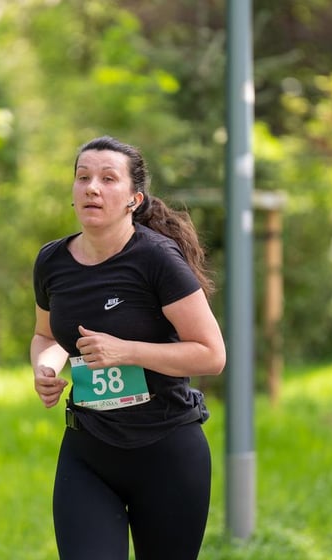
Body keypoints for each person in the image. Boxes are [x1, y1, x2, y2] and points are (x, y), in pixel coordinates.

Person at [30, 135, 226, 560]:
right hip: (89, 453)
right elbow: (46, 334)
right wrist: (45, 367)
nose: (92, 188)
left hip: (167, 452)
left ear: (133, 199)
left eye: (107, 178)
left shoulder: (157, 259)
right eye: (83, 178)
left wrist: (128, 351)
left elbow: (212, 354)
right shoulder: (52, 261)